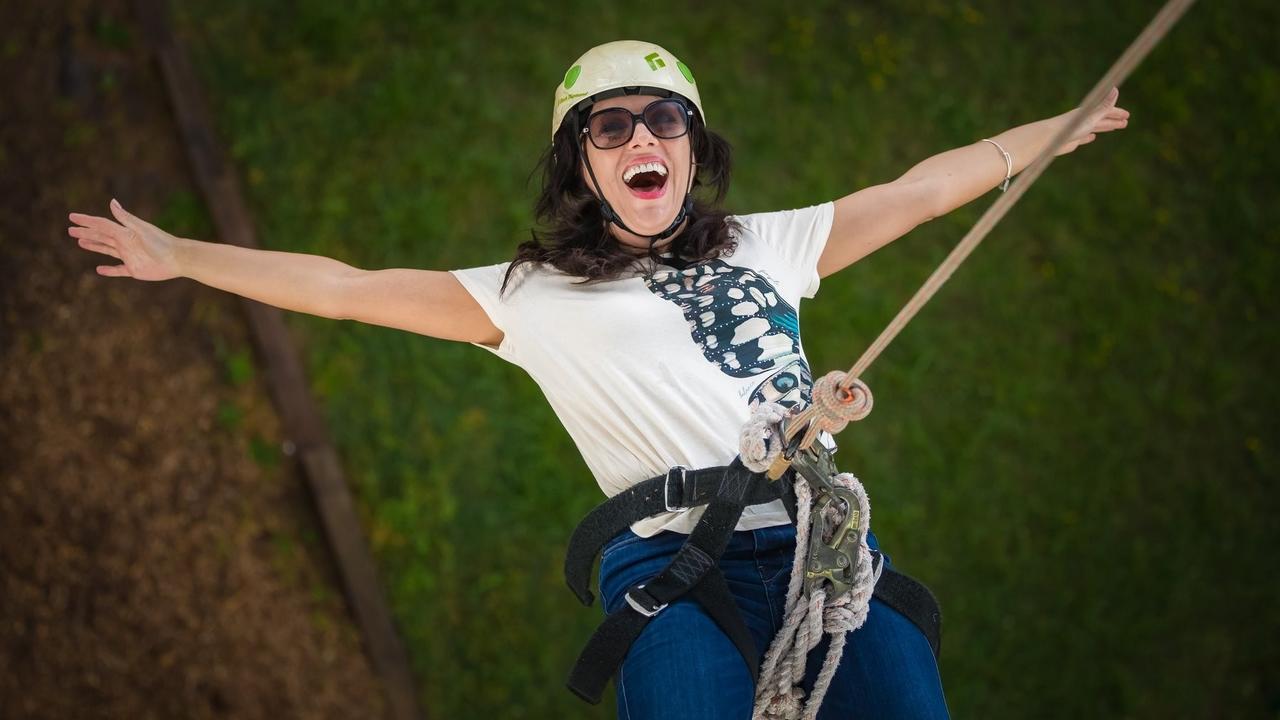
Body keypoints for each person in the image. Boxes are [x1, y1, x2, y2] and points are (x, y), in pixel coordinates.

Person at [68, 38, 1129, 720]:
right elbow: (345, 288)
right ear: (582, 164)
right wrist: (183, 255)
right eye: (608, 126)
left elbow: (921, 191)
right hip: (675, 568)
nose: (638, 137)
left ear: (691, 148)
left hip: (824, 552)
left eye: (662, 118)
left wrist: (1053, 132)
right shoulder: (529, 295)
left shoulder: (769, 244)